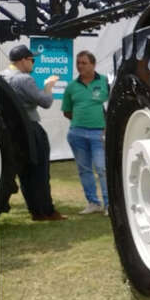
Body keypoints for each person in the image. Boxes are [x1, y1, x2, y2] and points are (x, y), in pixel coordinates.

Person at [0, 44, 65, 221]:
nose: (33, 63)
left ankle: (35, 210)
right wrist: (48, 86)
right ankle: (46, 211)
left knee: (26, 173)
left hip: (13, 130)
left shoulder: (3, 75)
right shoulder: (24, 79)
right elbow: (45, 102)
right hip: (31, 127)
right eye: (32, 59)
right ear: (23, 60)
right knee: (40, 171)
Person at [61, 50, 111, 214]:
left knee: (102, 168)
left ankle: (109, 204)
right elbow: (67, 111)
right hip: (77, 134)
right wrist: (81, 122)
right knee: (84, 170)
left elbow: (113, 105)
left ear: (93, 64)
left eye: (84, 63)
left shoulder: (104, 81)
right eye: (78, 63)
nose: (80, 66)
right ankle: (93, 203)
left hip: (98, 134)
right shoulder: (71, 86)